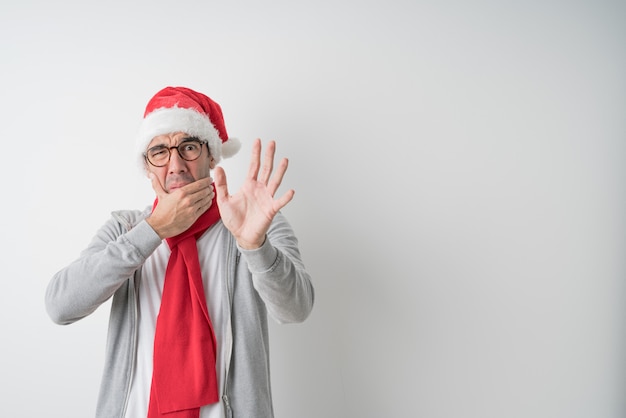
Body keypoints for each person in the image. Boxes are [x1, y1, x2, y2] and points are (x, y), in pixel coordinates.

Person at [45, 86, 315, 418]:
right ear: (146, 166)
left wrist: (255, 247)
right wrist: (153, 229)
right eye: (159, 151)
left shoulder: (254, 222)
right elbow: (60, 305)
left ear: (211, 155)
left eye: (188, 147)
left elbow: (297, 309)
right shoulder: (126, 229)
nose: (175, 165)